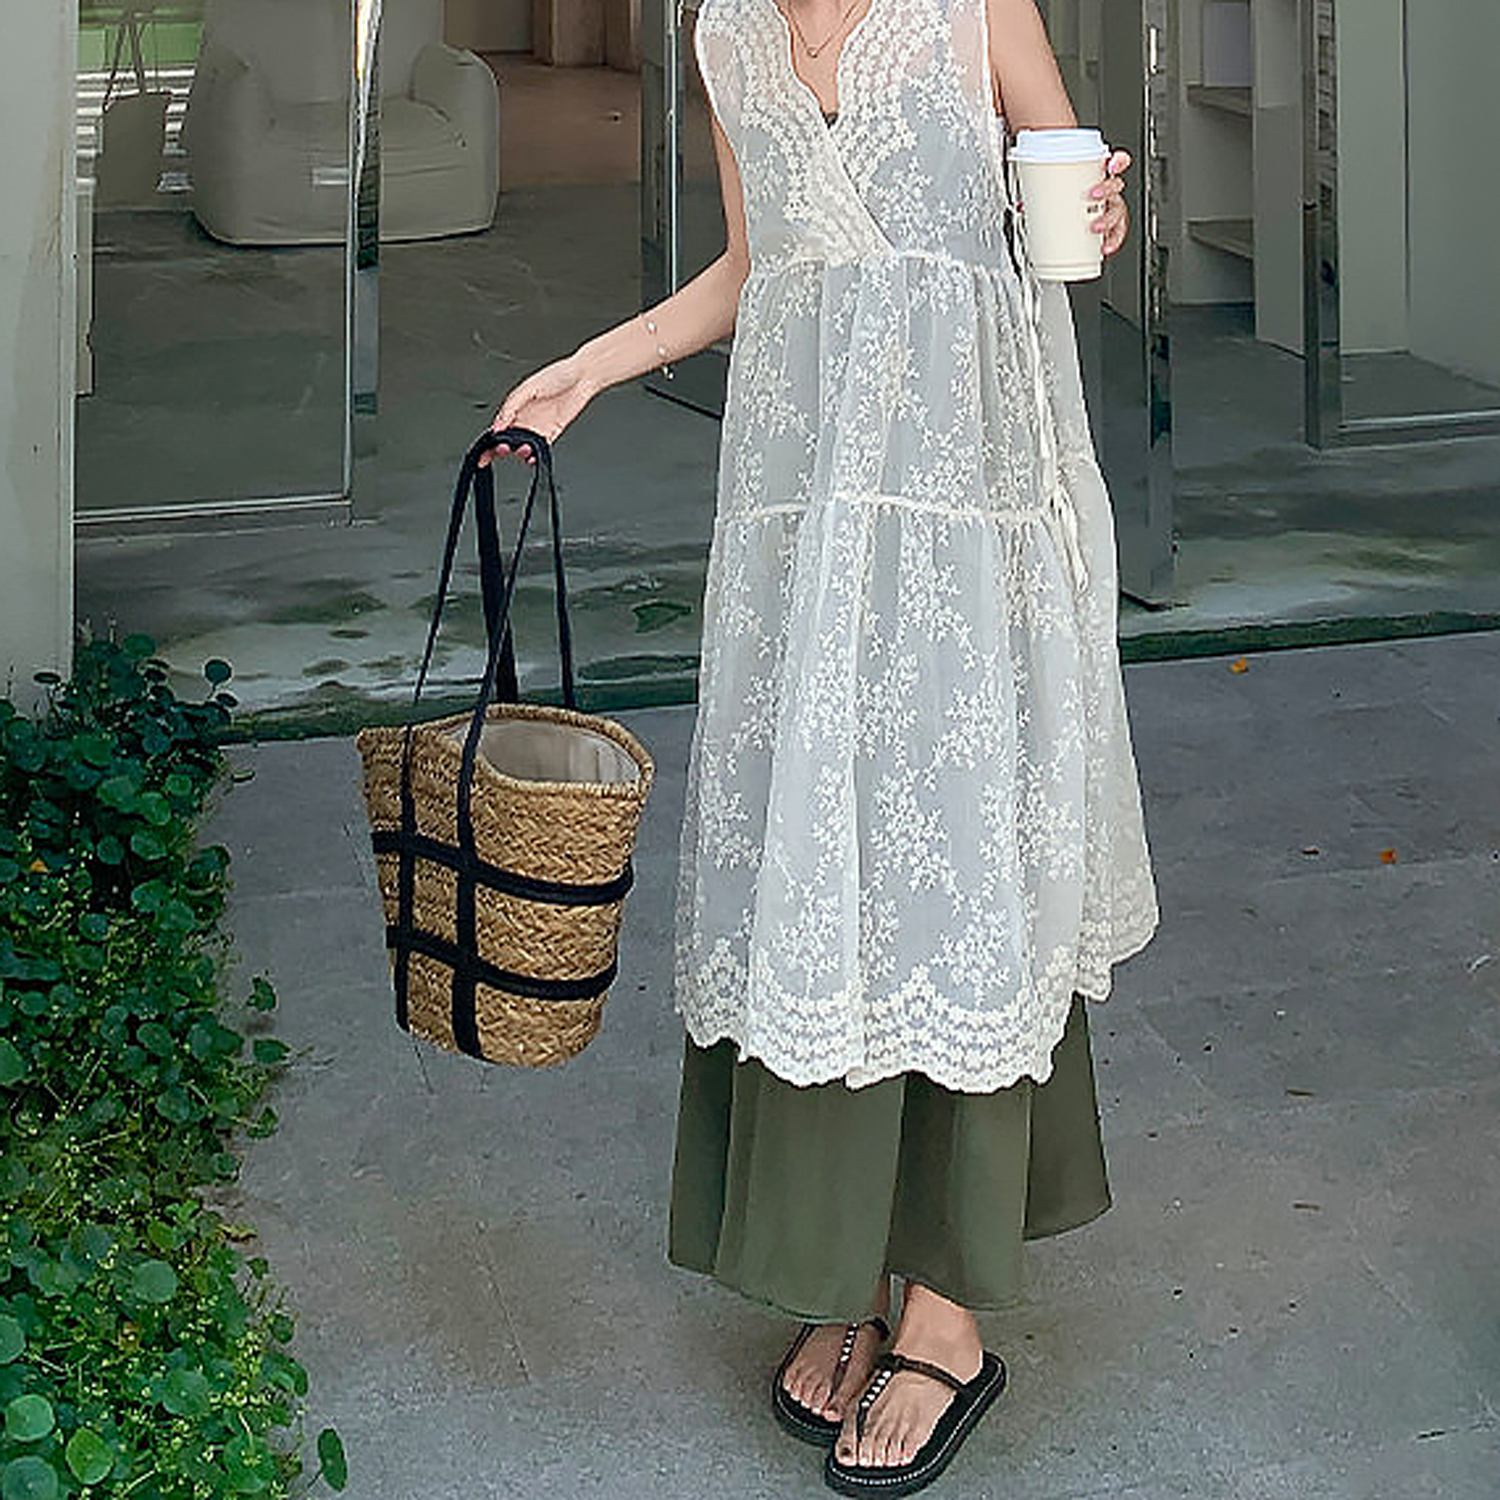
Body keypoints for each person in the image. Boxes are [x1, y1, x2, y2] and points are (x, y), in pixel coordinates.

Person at [488, 0, 1160, 1490]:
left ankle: (947, 1313)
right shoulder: (725, 35)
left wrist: (1099, 212)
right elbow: (756, 268)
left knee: (961, 866)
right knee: (824, 867)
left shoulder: (973, 8)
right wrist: (592, 366)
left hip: (972, 511)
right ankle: (849, 1269)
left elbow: (1071, 205)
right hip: (805, 528)